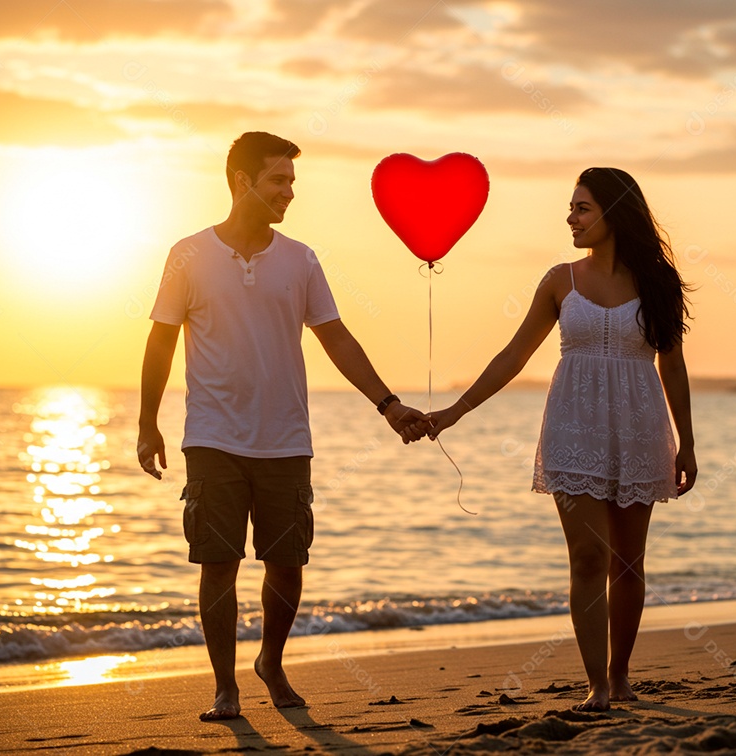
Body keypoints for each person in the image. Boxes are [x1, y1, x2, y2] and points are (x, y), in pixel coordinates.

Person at [137, 132, 429, 721]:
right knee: (217, 562)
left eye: (292, 182)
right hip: (213, 436)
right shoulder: (187, 254)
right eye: (279, 181)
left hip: (286, 438)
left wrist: (388, 403)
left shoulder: (301, 259)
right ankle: (226, 687)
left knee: (287, 563)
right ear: (242, 182)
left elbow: (336, 337)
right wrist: (148, 424)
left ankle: (270, 660)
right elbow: (160, 339)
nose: (289, 193)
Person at [428, 167, 697, 712]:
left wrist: (687, 443)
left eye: (581, 208)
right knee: (587, 557)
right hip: (573, 429)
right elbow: (513, 355)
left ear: (613, 215)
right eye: (570, 208)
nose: (570, 219)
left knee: (628, 562)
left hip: (640, 428)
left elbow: (673, 365)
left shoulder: (657, 283)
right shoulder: (559, 280)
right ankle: (596, 683)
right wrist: (455, 411)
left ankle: (621, 677)